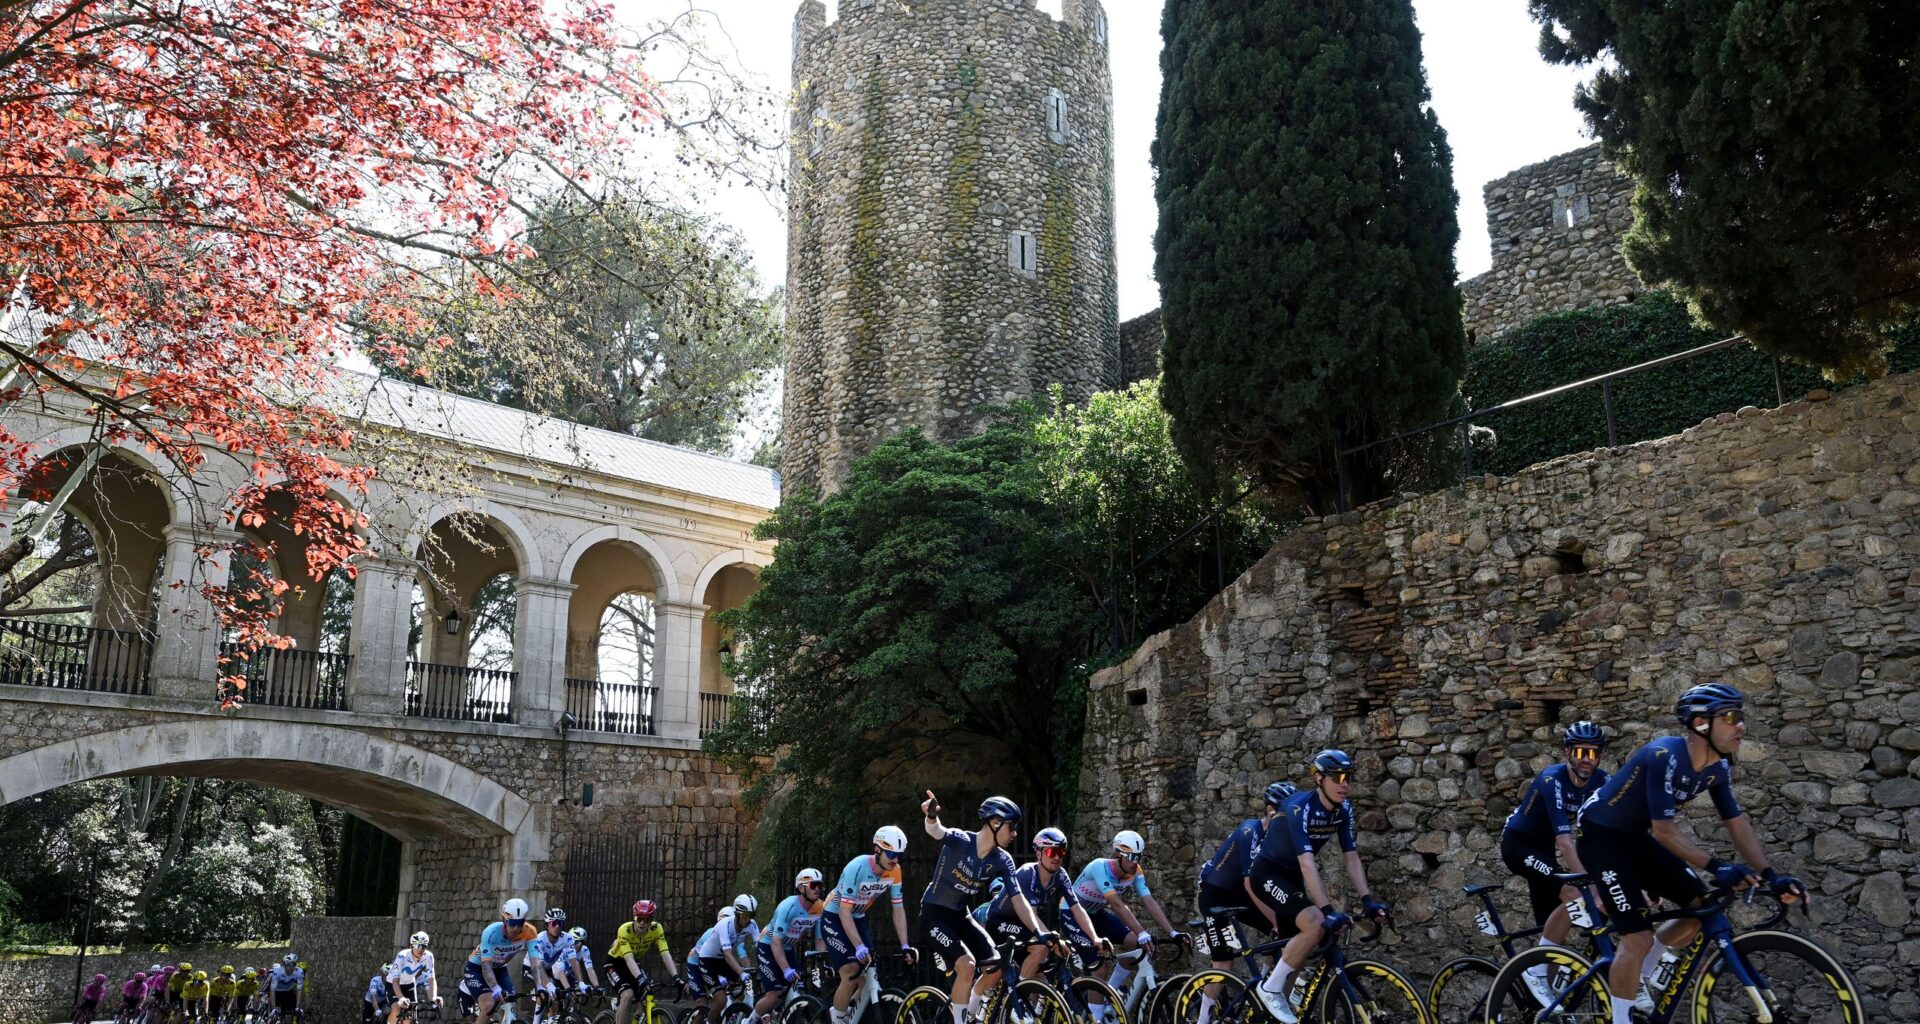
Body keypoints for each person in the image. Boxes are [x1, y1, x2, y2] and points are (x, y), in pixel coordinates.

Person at [1575, 684, 1806, 1024]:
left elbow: (1737, 824)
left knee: (1701, 910)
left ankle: (1639, 977)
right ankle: (1621, 1016)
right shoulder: (1663, 755)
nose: (1741, 725)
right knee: (1635, 937)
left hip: (1635, 838)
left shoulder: (1718, 768)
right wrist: (1717, 865)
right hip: (1601, 838)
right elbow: (1664, 830)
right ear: (1700, 724)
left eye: (1741, 717)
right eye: (1731, 717)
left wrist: (1771, 875)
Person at [1247, 750, 1389, 1024]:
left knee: (1299, 952)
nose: (1344, 783)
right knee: (1315, 922)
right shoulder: (1300, 807)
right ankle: (1269, 988)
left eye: (1348, 777)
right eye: (1337, 777)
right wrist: (1326, 909)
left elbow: (1351, 857)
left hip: (1291, 880)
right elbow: (1307, 864)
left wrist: (1368, 900)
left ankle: (1274, 1013)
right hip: (1267, 874)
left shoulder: (1343, 810)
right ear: (1318, 778)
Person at [918, 792, 1055, 1024]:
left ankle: (969, 1012)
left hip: (961, 917)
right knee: (967, 965)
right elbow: (936, 831)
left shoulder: (1003, 860)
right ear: (994, 822)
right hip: (934, 915)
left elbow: (1019, 900)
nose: (1014, 834)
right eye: (1011, 827)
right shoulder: (962, 841)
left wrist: (1038, 932)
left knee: (998, 964)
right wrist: (931, 816)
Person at [1502, 721, 1610, 1004]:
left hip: (1544, 853)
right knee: (1574, 893)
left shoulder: (1602, 781)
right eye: (1580, 753)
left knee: (1550, 934)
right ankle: (1536, 973)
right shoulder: (1552, 779)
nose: (1587, 760)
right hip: (1518, 846)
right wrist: (1592, 885)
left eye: (1593, 753)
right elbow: (1565, 842)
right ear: (1567, 753)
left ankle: (1541, 1003)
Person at [1193, 782, 1293, 1024]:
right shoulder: (1250, 831)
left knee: (1282, 937)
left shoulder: (1276, 838)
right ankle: (1203, 1020)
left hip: (1239, 894)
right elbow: (1251, 884)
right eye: (1284, 812)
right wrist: (1275, 920)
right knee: (1223, 962)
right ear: (1270, 809)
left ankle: (1264, 992)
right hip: (1214, 895)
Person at [1058, 829, 1182, 1024]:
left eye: (1139, 857)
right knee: (1099, 969)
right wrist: (1141, 931)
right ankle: (1095, 1019)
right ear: (1118, 854)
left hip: (1096, 915)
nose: (1135, 862)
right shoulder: (1100, 867)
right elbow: (1117, 905)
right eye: (1131, 857)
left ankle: (1110, 992)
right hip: (1072, 915)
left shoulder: (1136, 872)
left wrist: (1172, 932)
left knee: (1137, 945)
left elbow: (1149, 902)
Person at [975, 827, 1104, 981]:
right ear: (1038, 853)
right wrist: (1052, 939)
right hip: (1000, 920)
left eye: (1061, 852)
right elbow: (1032, 914)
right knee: (1042, 947)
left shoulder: (1061, 875)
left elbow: (1077, 908)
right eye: (1051, 852)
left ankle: (1026, 993)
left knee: (1040, 980)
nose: (1057, 857)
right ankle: (1019, 994)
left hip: (1023, 922)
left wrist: (1095, 938)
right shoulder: (1027, 873)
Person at [823, 826, 917, 1024]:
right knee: (850, 971)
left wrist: (905, 945)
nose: (895, 859)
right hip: (835, 916)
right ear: (877, 850)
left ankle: (847, 1010)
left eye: (899, 855)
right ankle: (837, 1019)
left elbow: (898, 909)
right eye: (891, 854)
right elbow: (844, 911)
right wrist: (857, 946)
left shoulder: (895, 872)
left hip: (857, 917)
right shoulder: (856, 867)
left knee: (868, 977)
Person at [751, 869, 828, 1024]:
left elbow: (820, 941)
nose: (818, 889)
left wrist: (823, 964)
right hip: (768, 947)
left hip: (786, 949)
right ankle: (750, 1021)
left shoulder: (820, 907)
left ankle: (778, 1015)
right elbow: (775, 942)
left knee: (798, 988)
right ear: (801, 888)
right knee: (774, 994)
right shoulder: (788, 906)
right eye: (814, 885)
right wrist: (785, 969)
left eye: (820, 885)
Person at [606, 900, 683, 1024]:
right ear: (634, 917)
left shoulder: (657, 929)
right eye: (639, 918)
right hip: (615, 963)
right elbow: (628, 958)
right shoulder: (624, 930)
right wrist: (640, 978)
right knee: (628, 994)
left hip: (633, 963)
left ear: (651, 920)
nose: (642, 923)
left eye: (647, 920)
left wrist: (676, 977)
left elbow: (665, 954)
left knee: (647, 991)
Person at [463, 898, 538, 1024]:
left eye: (520, 923)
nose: (515, 928)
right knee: (489, 1005)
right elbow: (486, 966)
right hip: (476, 969)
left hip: (500, 970)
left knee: (511, 1004)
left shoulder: (529, 932)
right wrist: (495, 987)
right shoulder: (491, 932)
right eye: (512, 923)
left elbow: (536, 964)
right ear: (504, 920)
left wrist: (541, 985)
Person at [692, 896, 760, 1021]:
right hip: (707, 961)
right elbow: (728, 954)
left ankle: (736, 1012)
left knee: (749, 984)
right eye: (745, 915)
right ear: (737, 914)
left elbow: (760, 948)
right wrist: (741, 972)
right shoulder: (724, 924)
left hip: (721, 960)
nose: (749, 919)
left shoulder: (752, 925)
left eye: (752, 915)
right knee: (721, 1000)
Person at [527, 908, 577, 1024]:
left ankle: (551, 1020)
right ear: (547, 925)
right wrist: (548, 984)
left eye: (560, 923)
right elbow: (538, 966)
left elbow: (574, 961)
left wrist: (580, 982)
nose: (557, 926)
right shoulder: (539, 939)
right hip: (532, 968)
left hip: (546, 969)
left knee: (555, 995)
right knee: (544, 992)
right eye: (553, 923)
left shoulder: (567, 938)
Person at [388, 931, 439, 1024]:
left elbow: (431, 979)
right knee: (396, 1009)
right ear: (411, 946)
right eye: (419, 946)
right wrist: (401, 998)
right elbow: (395, 981)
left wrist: (434, 998)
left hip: (409, 984)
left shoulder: (428, 957)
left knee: (410, 1014)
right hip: (393, 984)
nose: (421, 949)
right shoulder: (402, 956)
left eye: (424, 946)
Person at [267, 955, 306, 1020]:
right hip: (276, 992)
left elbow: (299, 990)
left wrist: (297, 1007)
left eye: (293, 964)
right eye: (289, 964)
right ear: (284, 965)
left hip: (288, 992)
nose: (291, 967)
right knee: (273, 1016)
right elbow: (272, 990)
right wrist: (273, 1008)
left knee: (292, 1013)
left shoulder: (299, 972)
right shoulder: (277, 972)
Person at [564, 928, 601, 993]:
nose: (579, 945)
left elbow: (590, 969)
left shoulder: (584, 950)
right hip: (555, 974)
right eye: (577, 942)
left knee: (581, 991)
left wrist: (597, 987)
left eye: (582, 942)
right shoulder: (563, 948)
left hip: (567, 974)